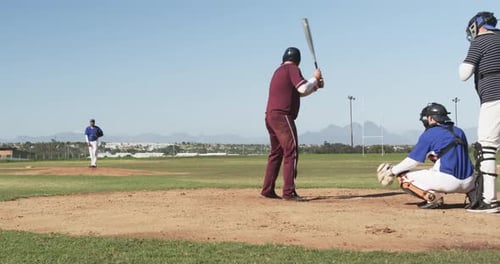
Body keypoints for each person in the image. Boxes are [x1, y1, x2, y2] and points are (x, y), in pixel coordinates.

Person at [377, 103, 475, 209]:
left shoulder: (430, 133)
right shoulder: (459, 131)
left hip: (448, 182)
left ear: (431, 118)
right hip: (469, 182)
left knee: (403, 177)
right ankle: (474, 195)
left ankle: (433, 198)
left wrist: (393, 171)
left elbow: (413, 161)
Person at [261, 47, 324, 200]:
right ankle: (289, 192)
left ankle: (267, 189)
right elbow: (302, 87)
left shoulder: (279, 70)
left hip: (271, 116)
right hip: (283, 116)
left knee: (276, 153)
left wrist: (315, 86)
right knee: (291, 150)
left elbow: (298, 92)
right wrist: (315, 78)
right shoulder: (292, 68)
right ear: (298, 60)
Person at [459, 11, 500, 213]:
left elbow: (463, 74)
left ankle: (489, 200)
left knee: (487, 147)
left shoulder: (480, 41)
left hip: (494, 98)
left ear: (476, 26)